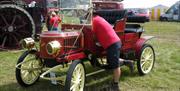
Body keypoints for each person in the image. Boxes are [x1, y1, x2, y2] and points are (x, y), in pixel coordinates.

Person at [92, 15, 134, 91]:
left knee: (115, 66)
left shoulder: (94, 21)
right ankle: (127, 62)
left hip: (113, 44)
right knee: (112, 61)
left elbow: (91, 35)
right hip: (113, 42)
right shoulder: (98, 18)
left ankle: (115, 86)